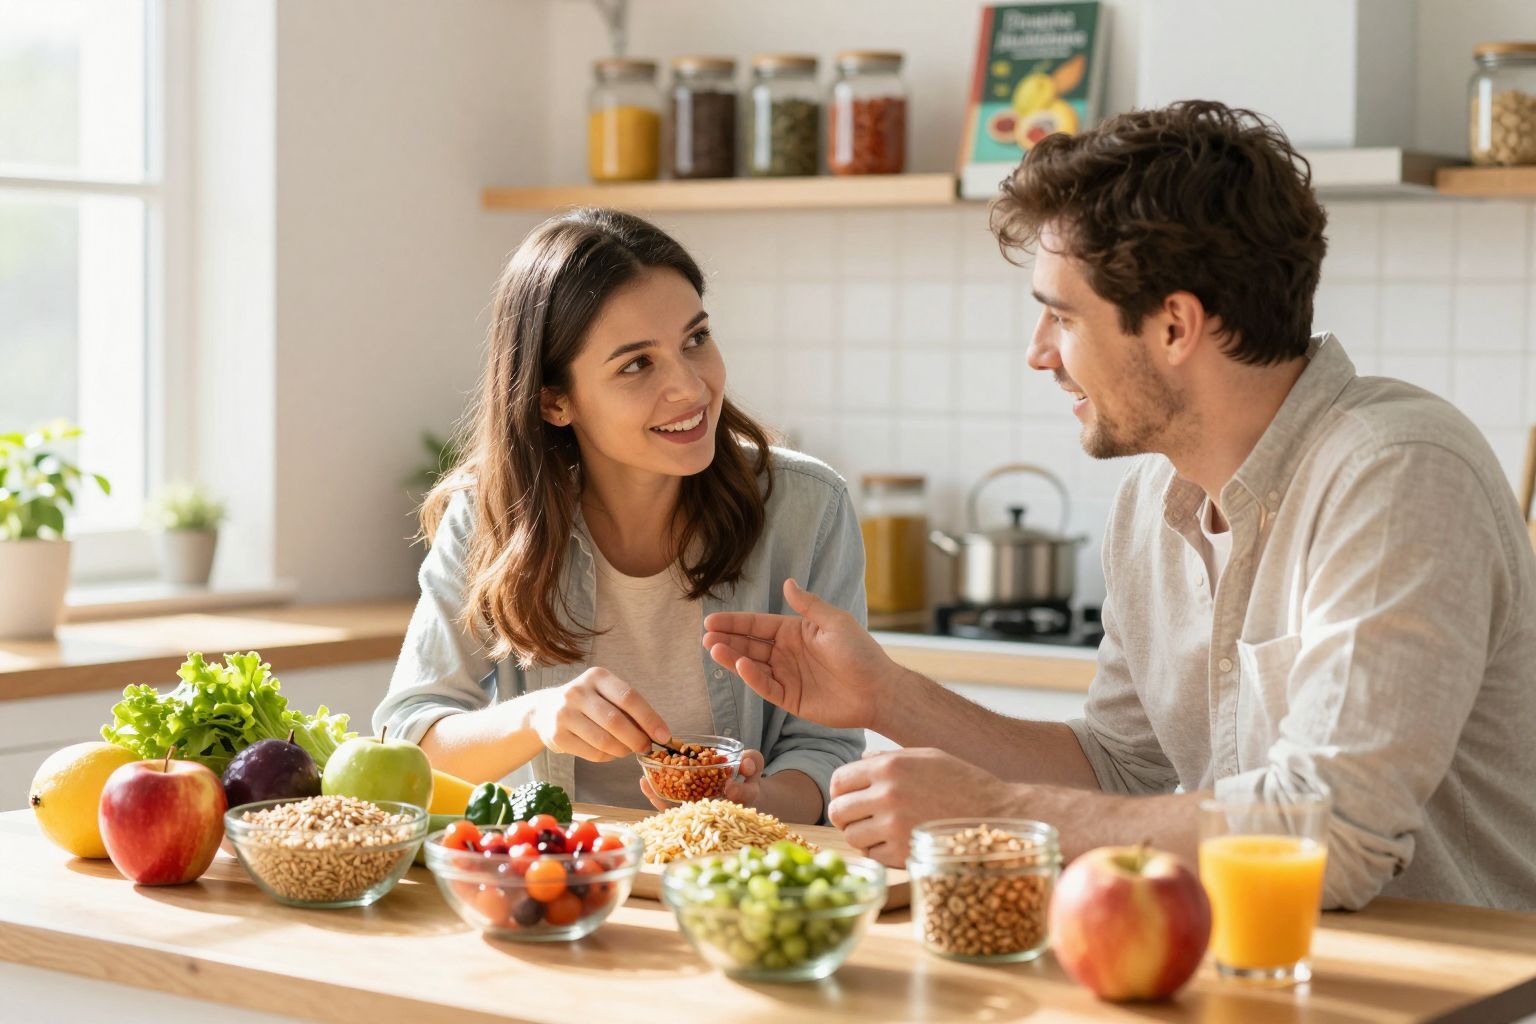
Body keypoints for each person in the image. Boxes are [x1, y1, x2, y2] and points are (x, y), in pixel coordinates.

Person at [701, 101, 1536, 910]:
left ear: (1174, 326)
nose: (1037, 356)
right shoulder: (1152, 498)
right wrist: (890, 696)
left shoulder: (1395, 475)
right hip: (1249, 978)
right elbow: (1114, 767)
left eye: (1061, 317)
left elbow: (1335, 838)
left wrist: (999, 814)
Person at [374, 208, 864, 823]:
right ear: (554, 401)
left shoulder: (807, 508)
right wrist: (536, 717)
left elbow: (824, 748)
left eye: (696, 339)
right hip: (556, 877)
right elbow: (409, 740)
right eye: (637, 364)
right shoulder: (488, 516)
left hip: (729, 879)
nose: (690, 388)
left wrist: (754, 799)